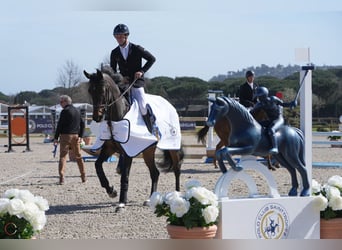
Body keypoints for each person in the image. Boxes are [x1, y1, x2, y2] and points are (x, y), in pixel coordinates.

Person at [110, 23, 157, 133]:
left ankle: (151, 129)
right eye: (116, 37)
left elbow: (152, 59)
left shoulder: (137, 48)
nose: (118, 39)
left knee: (142, 105)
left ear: (126, 36)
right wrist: (120, 78)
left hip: (136, 82)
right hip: (123, 84)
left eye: (120, 36)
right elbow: (113, 70)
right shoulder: (114, 52)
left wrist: (141, 71)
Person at [250, 86, 296, 155]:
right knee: (256, 126)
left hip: (278, 119)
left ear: (264, 95)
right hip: (270, 120)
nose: (258, 98)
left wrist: (291, 104)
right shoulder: (259, 104)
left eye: (260, 96)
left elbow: (283, 104)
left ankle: (275, 147)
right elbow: (251, 112)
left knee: (271, 129)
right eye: (258, 97)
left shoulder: (273, 99)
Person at [54, 95, 86, 185]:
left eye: (61, 102)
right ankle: (83, 176)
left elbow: (59, 125)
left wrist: (56, 138)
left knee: (63, 157)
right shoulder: (77, 111)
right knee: (79, 157)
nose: (60, 104)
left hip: (65, 136)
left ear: (65, 102)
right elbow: (83, 124)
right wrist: (81, 136)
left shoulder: (64, 111)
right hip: (75, 136)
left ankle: (62, 177)